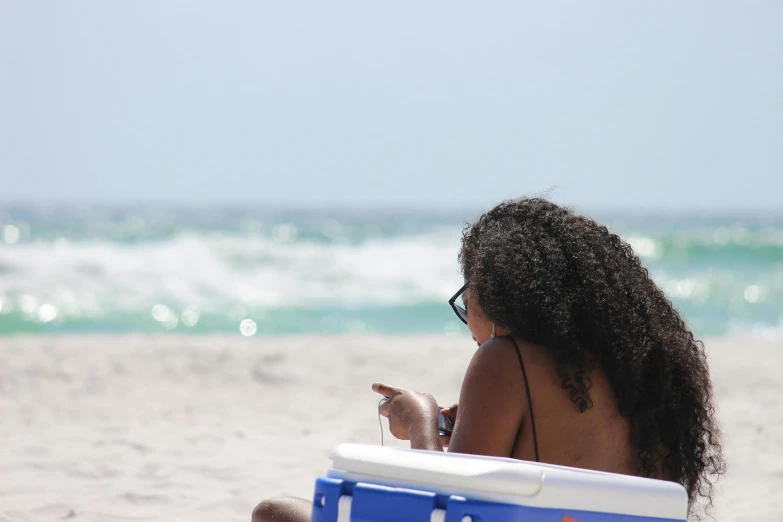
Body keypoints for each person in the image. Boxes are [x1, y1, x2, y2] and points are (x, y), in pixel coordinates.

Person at [252, 198, 724, 522]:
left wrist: (419, 420)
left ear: (500, 290)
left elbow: (448, 504)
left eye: (467, 292)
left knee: (276, 512)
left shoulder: (506, 361)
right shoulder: (650, 370)